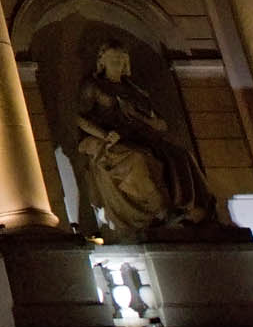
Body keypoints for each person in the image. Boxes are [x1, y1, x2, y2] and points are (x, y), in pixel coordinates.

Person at [75, 41, 215, 236]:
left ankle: (194, 209)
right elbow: (80, 118)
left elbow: (159, 123)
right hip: (105, 140)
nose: (117, 64)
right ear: (102, 62)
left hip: (139, 137)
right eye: (113, 59)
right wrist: (104, 134)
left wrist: (147, 120)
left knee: (181, 155)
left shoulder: (135, 91)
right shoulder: (92, 86)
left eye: (121, 60)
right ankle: (162, 211)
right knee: (136, 160)